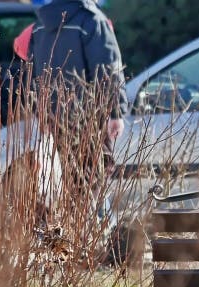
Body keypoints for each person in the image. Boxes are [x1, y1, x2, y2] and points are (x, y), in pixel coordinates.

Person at [29, 0, 128, 192]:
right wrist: (115, 112)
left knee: (72, 183)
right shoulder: (91, 20)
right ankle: (96, 220)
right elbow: (107, 69)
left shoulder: (39, 25)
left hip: (55, 120)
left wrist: (42, 114)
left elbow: (35, 74)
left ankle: (82, 219)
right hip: (89, 121)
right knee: (93, 182)